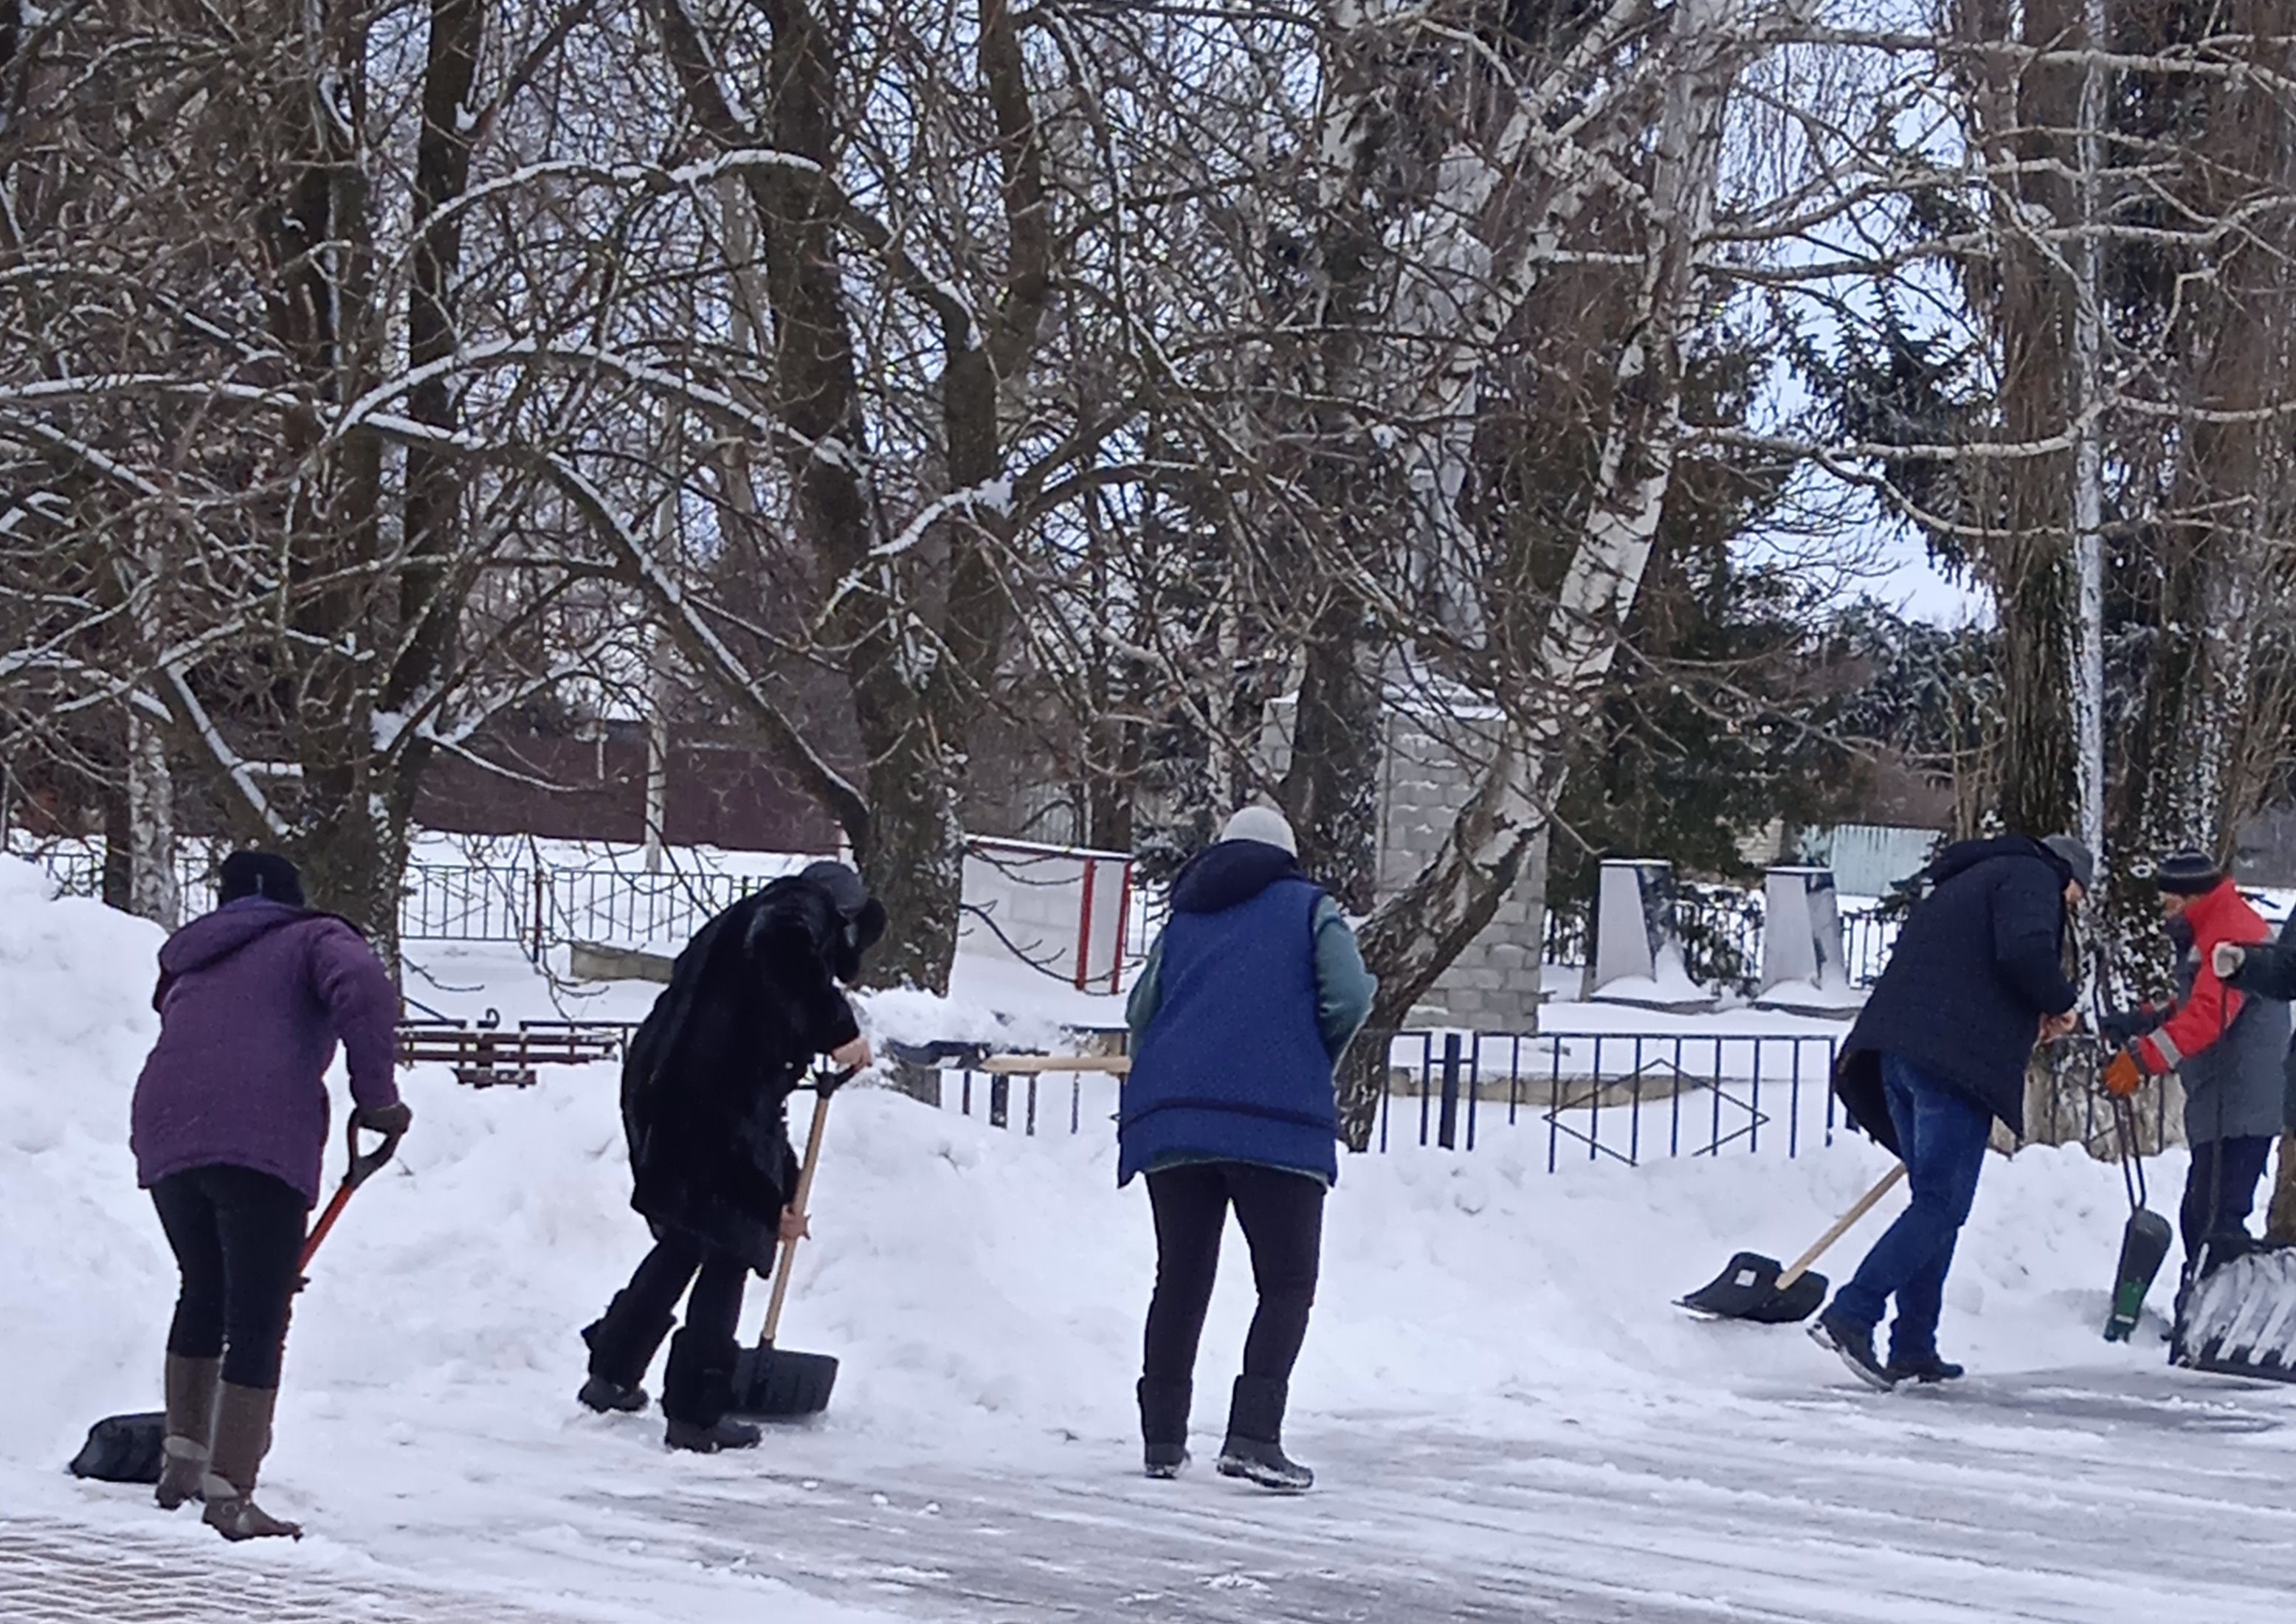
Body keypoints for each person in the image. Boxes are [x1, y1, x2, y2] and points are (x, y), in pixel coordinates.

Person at [128, 850, 408, 1541]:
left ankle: (183, 1465)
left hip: (165, 1130)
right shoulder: (316, 936)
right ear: (293, 895)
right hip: (257, 1132)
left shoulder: (193, 952)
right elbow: (365, 987)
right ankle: (231, 1495)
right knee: (258, 1313)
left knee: (203, 1287)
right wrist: (378, 1098)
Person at [579, 861, 881, 1453]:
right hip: (706, 1099)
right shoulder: (796, 910)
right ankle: (695, 1411)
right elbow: (782, 945)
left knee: (690, 1236)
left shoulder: (739, 933)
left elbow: (762, 1103)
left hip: (670, 1089)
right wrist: (836, 1028)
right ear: (842, 918)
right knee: (729, 1247)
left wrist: (783, 1195)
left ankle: (611, 1373)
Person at [1120, 805, 1376, 1493]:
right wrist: (1306, 1051)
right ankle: (1253, 1438)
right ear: (1287, 855)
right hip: (1276, 1121)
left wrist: (1172, 1081)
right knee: (1287, 1281)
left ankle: (1162, 1442)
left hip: (1173, 1123)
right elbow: (1350, 996)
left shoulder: (1184, 918)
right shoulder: (1311, 910)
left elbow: (1139, 1011)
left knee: (1180, 1275)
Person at [1814, 833, 2089, 1390]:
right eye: (2076, 899)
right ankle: (1852, 1311)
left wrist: (2025, 1014)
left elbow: (1973, 967)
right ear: (2071, 876)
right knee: (1941, 1204)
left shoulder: (1967, 880)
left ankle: (1914, 1343)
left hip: (1895, 1050)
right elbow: (2023, 952)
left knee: (1933, 1203)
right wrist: (2060, 1002)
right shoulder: (2033, 877)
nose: (2073, 908)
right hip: (1950, 1059)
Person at [2098, 851, 2286, 1282]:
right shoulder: (2215, 928)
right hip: (2226, 1099)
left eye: (2168, 904)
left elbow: (2208, 1015)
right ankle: (2204, 1304)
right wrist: (2143, 1019)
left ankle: (2217, 1311)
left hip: (2240, 1103)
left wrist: (2140, 1059)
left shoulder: (2230, 935)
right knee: (2201, 1213)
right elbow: (2194, 1003)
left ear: (2191, 897)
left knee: (2214, 1219)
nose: (2164, 916)